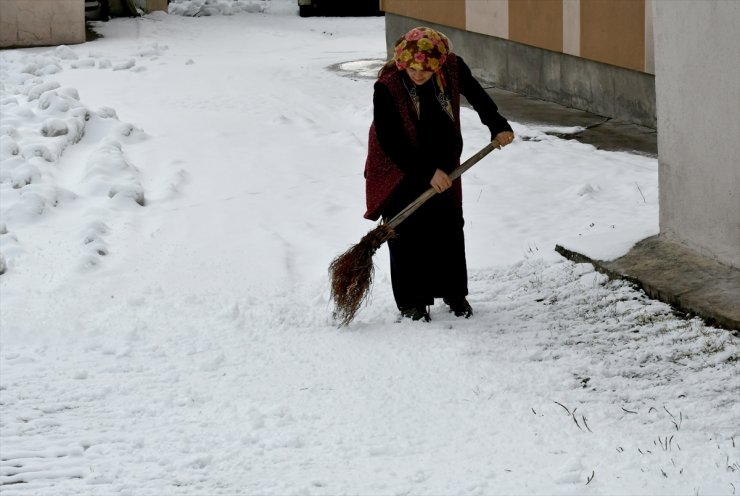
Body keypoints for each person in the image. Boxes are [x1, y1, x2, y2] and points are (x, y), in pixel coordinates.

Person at [364, 26, 515, 322]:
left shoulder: (452, 67)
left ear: (438, 63)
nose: (418, 75)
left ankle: (454, 293)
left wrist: (497, 124)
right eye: (413, 69)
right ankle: (411, 301)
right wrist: (425, 172)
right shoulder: (388, 85)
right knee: (406, 230)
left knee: (448, 225)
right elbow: (390, 139)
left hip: (444, 159)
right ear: (403, 62)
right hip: (399, 165)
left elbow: (477, 95)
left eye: (425, 69)